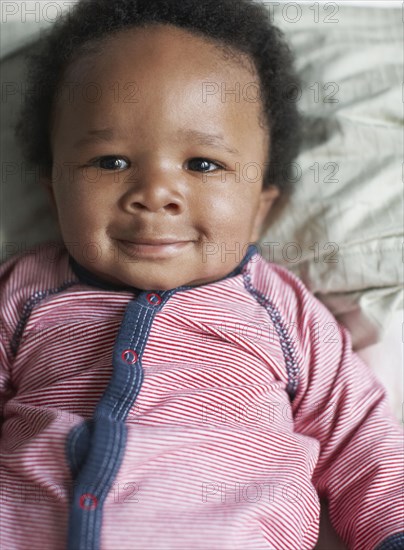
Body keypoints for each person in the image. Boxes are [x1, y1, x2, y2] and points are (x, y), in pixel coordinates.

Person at [1, 1, 402, 549]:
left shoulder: (282, 311)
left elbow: (361, 439)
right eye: (111, 161)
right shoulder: (24, 293)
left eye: (203, 164)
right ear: (54, 191)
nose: (155, 194)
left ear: (261, 206)